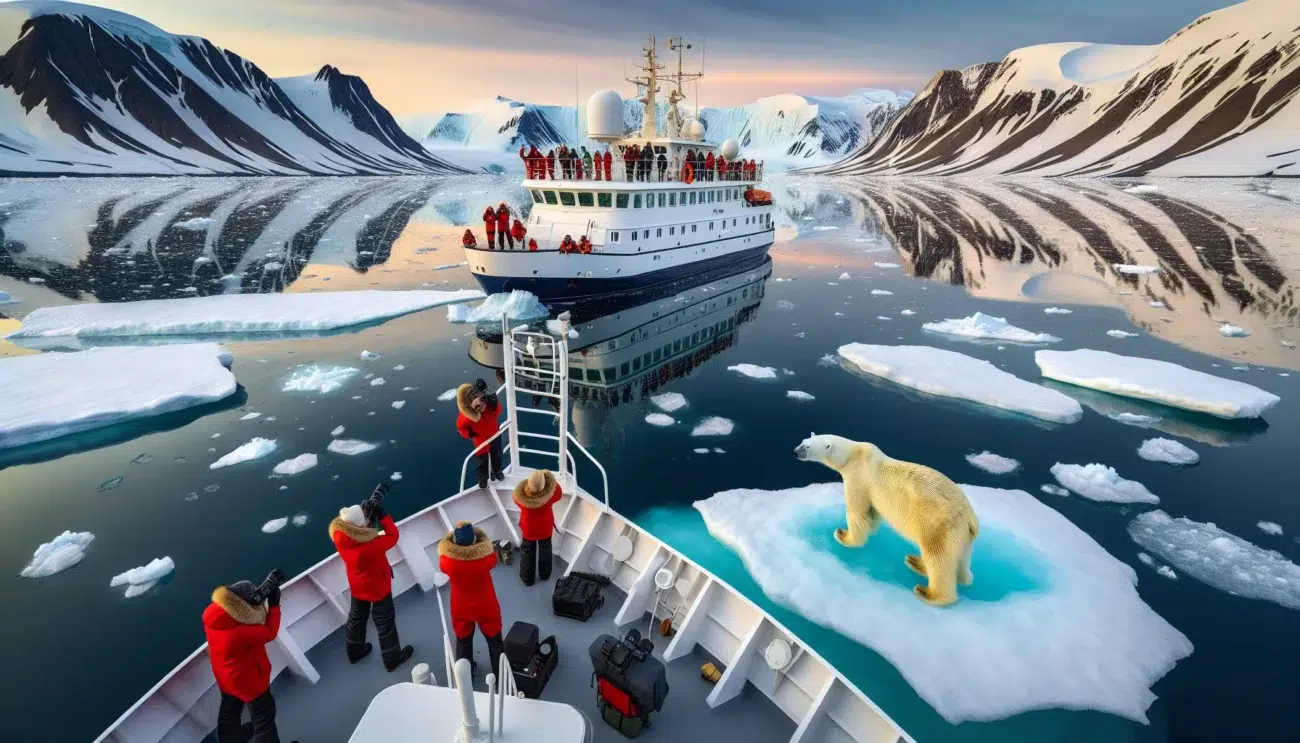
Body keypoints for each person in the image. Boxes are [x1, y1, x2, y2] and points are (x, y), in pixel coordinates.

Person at [204, 576, 296, 743]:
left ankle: (230, 739)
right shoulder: (240, 631)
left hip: (225, 676)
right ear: (242, 608)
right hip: (248, 681)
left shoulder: (215, 616)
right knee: (264, 718)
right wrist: (274, 606)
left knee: (229, 710)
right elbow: (269, 632)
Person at [330, 499, 415, 672]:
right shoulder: (369, 546)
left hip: (358, 586)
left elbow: (359, 533)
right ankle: (392, 659)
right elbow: (392, 535)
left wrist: (366, 519)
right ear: (359, 526)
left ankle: (355, 652)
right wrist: (382, 516)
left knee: (357, 618)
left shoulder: (342, 538)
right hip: (377, 586)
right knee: (385, 623)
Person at [439, 521, 504, 676]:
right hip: (485, 606)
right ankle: (500, 677)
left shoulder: (448, 563)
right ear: (475, 540)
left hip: (460, 607)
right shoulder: (486, 559)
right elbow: (493, 558)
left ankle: (466, 676)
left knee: (463, 641)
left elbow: (442, 559)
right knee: (495, 642)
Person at [514, 470, 563, 585]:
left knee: (527, 552)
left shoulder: (521, 500)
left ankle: (527, 579)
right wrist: (549, 480)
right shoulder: (550, 497)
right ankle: (545, 575)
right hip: (544, 529)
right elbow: (558, 492)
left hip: (528, 529)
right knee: (545, 550)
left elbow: (515, 496)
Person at [456, 378, 502, 488]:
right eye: (477, 404)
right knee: (482, 461)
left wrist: (495, 405)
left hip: (494, 434)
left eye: (482, 400)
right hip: (480, 440)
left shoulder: (489, 406)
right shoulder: (466, 417)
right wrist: (469, 433)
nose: (481, 405)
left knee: (497, 455)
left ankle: (498, 471)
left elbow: (498, 412)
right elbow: (460, 428)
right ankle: (483, 479)